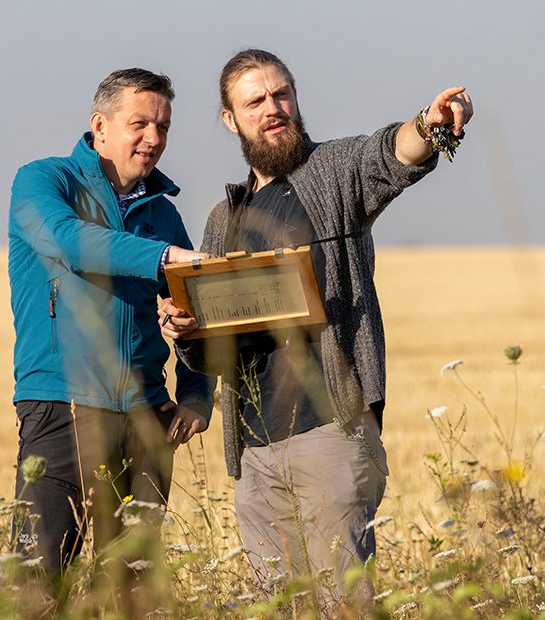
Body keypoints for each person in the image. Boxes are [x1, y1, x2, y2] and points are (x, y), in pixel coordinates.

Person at [160, 49, 474, 599]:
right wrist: (185, 332)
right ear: (230, 120)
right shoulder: (222, 220)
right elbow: (215, 353)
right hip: (254, 453)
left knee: (343, 605)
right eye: (254, 101)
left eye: (282, 94)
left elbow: (391, 153)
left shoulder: (331, 172)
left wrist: (429, 122)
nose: (273, 108)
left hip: (331, 433)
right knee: (279, 608)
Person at [8, 68, 213, 572]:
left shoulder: (162, 212)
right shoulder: (43, 180)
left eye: (163, 127)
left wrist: (195, 395)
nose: (153, 138)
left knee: (132, 592)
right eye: (139, 123)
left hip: (147, 419)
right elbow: (68, 241)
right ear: (100, 126)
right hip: (63, 407)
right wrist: (165, 257)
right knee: (37, 583)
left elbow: (200, 310)